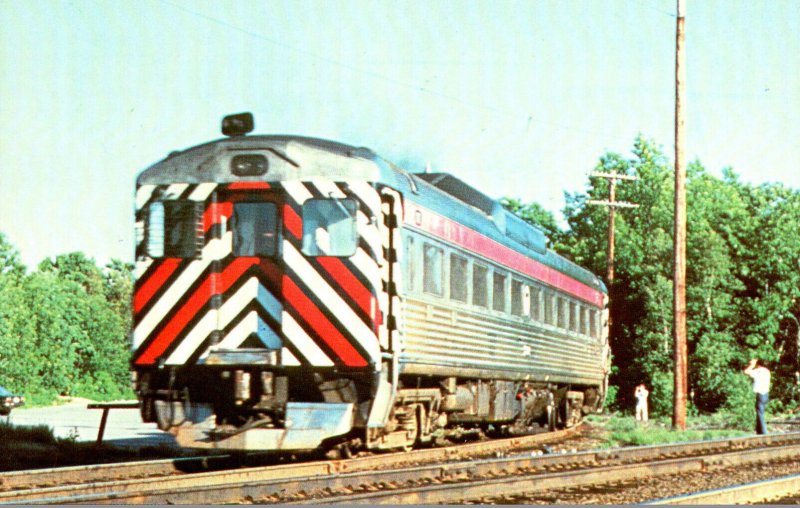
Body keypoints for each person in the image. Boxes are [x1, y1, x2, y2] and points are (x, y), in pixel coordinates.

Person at [743, 358, 771, 435]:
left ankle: (763, 432)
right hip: (766, 394)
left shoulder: (759, 371)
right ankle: (759, 431)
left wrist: (752, 365)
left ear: (758, 364)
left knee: (760, 413)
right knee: (760, 412)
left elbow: (746, 371)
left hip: (760, 394)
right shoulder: (767, 371)